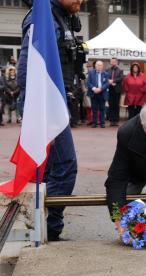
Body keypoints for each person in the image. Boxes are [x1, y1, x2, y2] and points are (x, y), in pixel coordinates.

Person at [17, 0, 84, 241]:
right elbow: (27, 66)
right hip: (45, 106)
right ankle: (30, 215)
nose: (81, 0)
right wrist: (36, 110)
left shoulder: (62, 17)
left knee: (47, 171)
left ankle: (47, 227)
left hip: (56, 104)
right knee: (65, 168)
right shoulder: (42, 18)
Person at [87, 60, 109, 128]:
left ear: (102, 66)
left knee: (102, 109)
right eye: (98, 65)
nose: (99, 67)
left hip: (102, 93)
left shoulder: (106, 74)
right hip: (93, 93)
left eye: (100, 65)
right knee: (94, 109)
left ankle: (102, 123)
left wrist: (101, 89)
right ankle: (94, 123)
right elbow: (88, 83)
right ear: (95, 66)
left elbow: (107, 84)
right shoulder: (91, 73)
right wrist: (94, 89)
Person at [106, 57, 123, 127]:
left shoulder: (120, 70)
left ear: (116, 62)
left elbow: (121, 78)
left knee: (116, 105)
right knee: (111, 105)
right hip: (109, 89)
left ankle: (116, 120)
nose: (113, 63)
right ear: (110, 62)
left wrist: (113, 81)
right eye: (112, 61)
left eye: (114, 61)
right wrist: (109, 81)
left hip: (117, 89)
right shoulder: (107, 70)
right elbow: (105, 77)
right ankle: (111, 120)